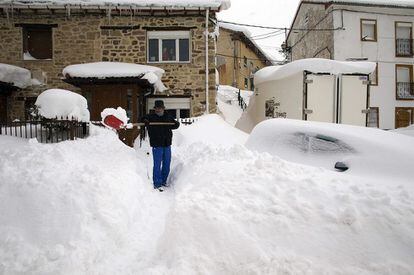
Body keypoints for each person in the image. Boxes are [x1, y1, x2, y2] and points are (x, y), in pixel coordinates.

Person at [142, 100, 180, 192]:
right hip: (157, 144)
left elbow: (174, 125)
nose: (158, 110)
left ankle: (163, 181)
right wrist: (145, 121)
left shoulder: (168, 117)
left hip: (167, 144)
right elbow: (142, 118)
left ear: (163, 108)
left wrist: (176, 124)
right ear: (155, 109)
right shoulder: (150, 117)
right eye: (157, 108)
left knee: (167, 164)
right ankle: (157, 183)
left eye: (160, 108)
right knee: (157, 164)